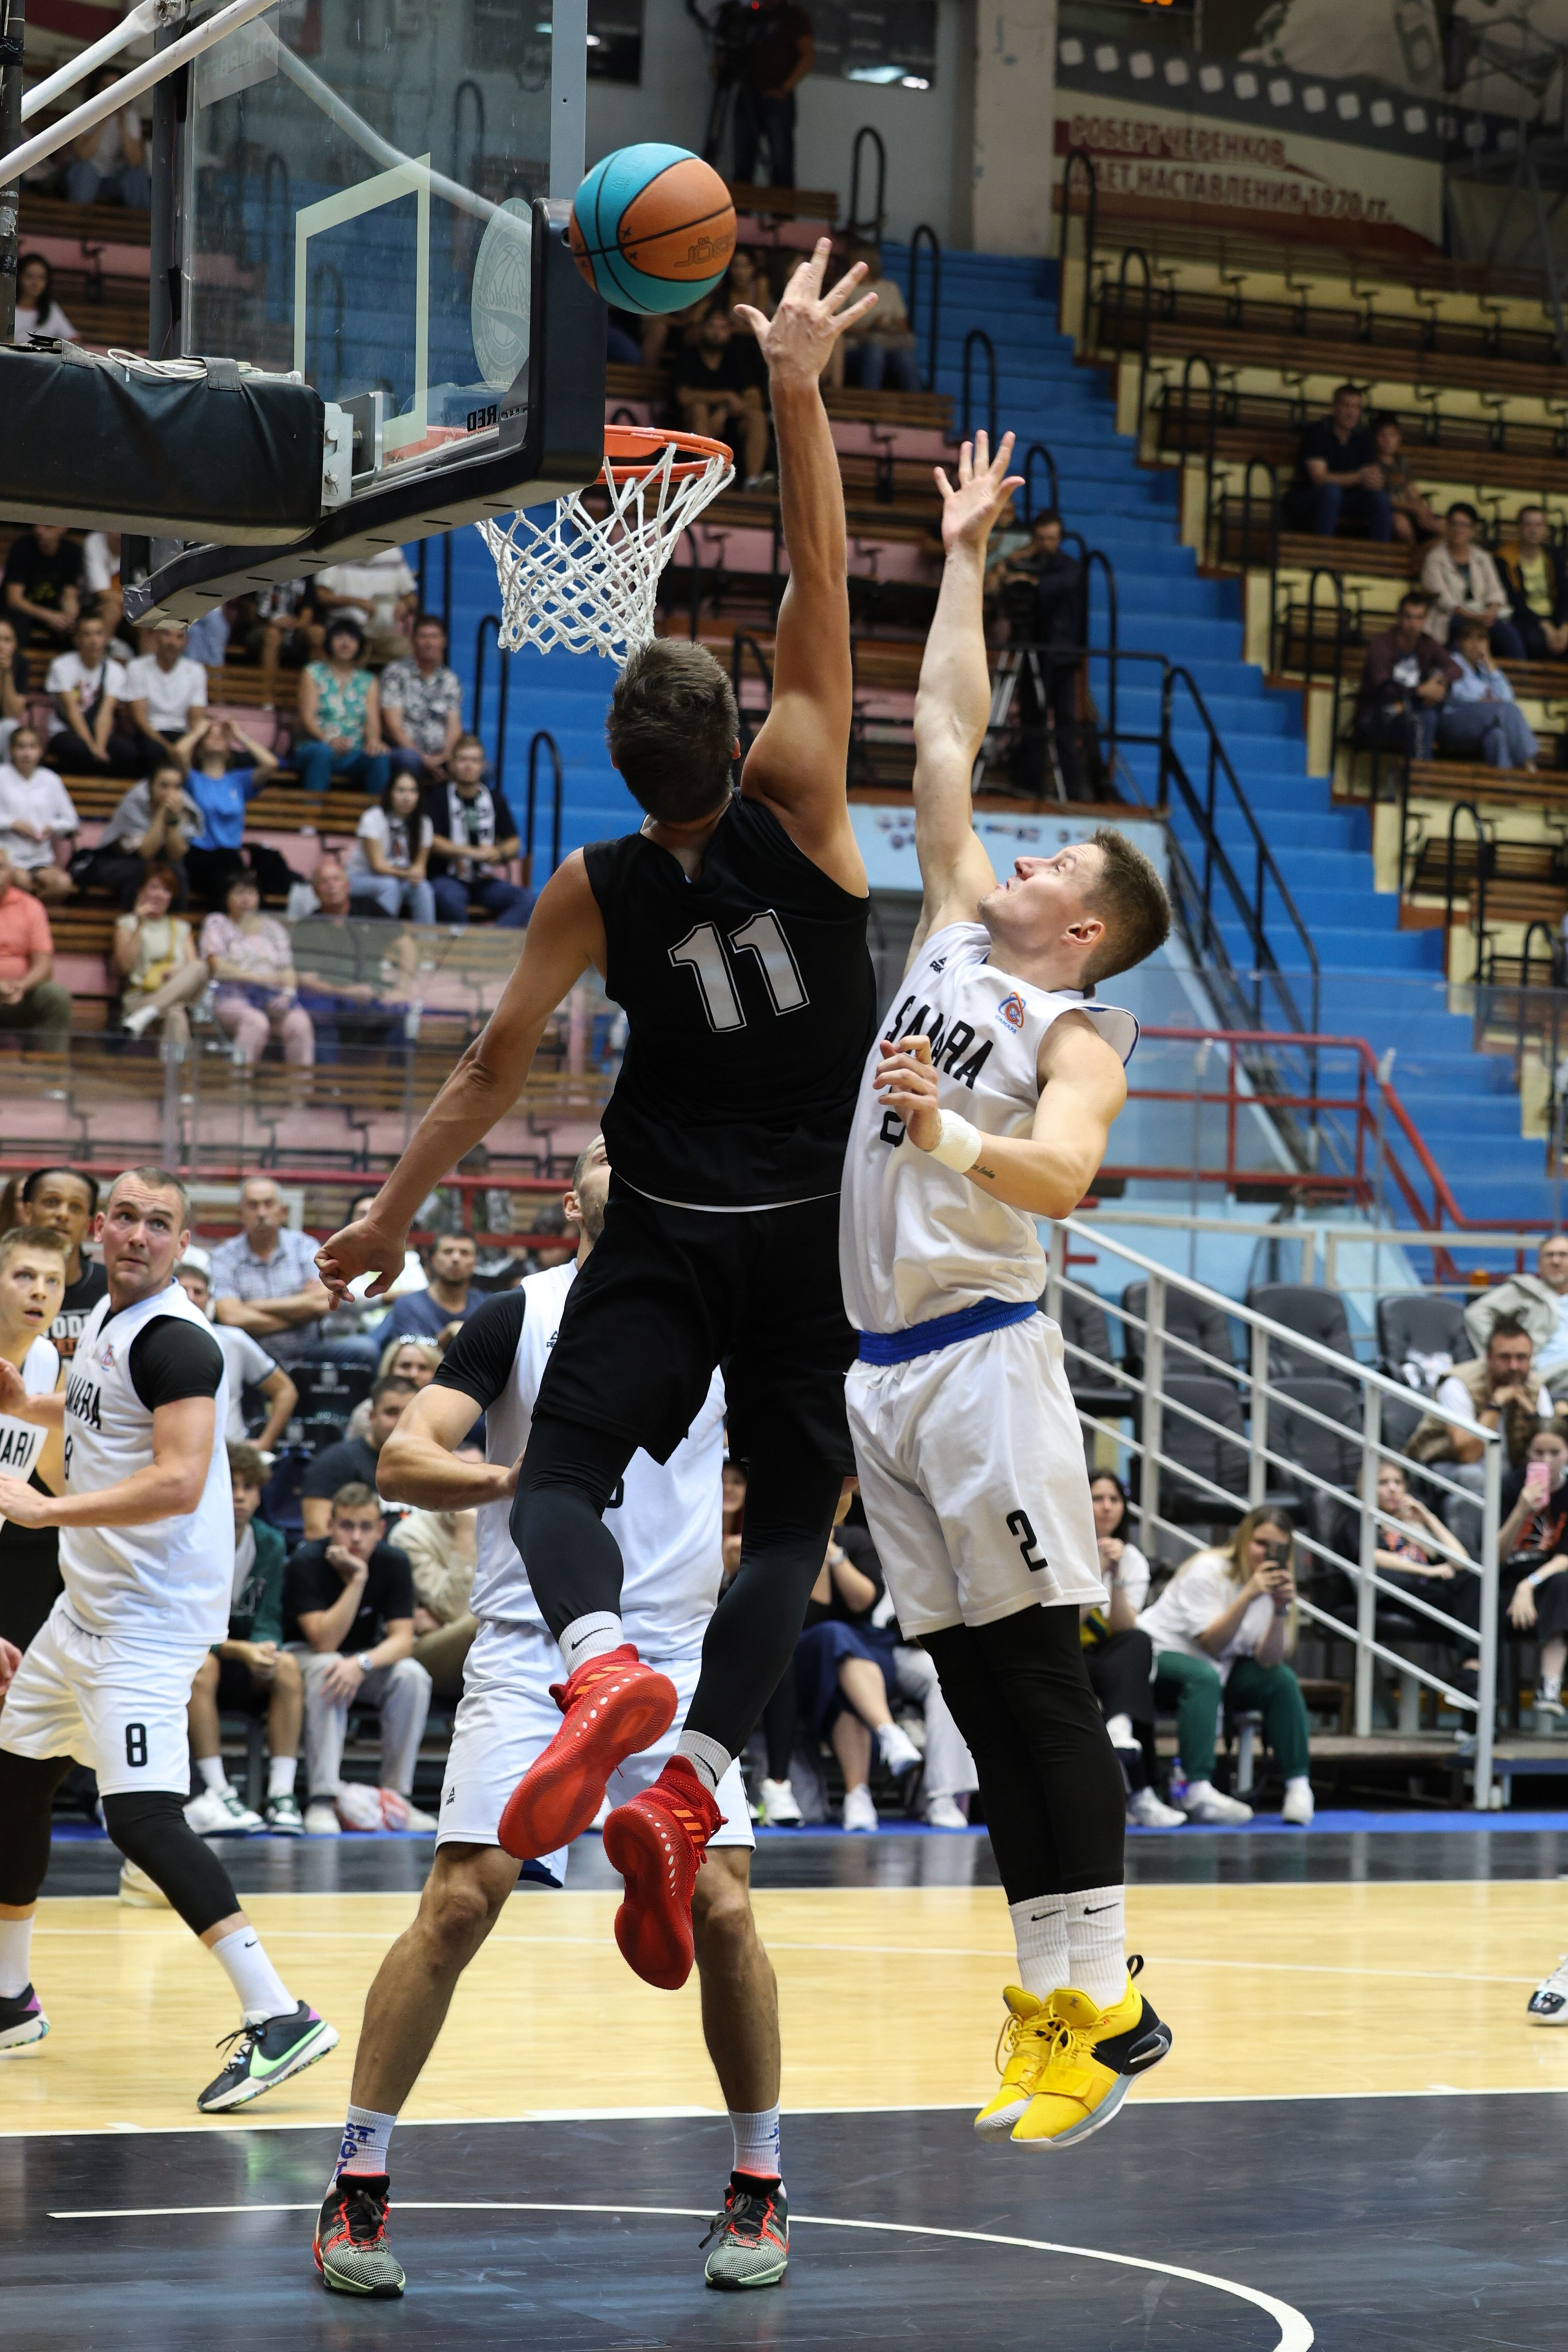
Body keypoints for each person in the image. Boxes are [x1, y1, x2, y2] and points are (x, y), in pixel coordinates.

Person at [316, 244, 880, 1997]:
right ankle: (695, 1781)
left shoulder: (591, 885)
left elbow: (492, 1073)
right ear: (743, 737)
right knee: (788, 1520)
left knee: (557, 1471)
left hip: (662, 1223)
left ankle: (586, 1665)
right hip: (811, 1233)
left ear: (626, 765)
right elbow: (820, 577)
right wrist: (788, 380)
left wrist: (392, 1219)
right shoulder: (808, 802)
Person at [836, 432, 1173, 2149]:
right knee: (974, 1692)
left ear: (1090, 928)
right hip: (884, 1368)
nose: (1021, 860)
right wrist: (962, 551)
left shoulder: (1080, 1030)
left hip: (983, 1360)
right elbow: (948, 732)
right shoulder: (961, 931)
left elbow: (1065, 1177)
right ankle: (1056, 2003)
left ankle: (1106, 1999)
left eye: (1056, 869)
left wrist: (950, 1137)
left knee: (1036, 1683)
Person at [315, 1133, 787, 2300]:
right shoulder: (518, 1316)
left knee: (726, 1907)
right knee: (461, 1898)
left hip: (674, 1647)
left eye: (641, 1147)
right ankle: (358, 2180)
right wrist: (517, 1481)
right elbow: (407, 1455)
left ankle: (761, 2181)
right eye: (599, 1149)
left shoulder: (734, 1314)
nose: (621, 1160)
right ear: (569, 1195)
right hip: (537, 1645)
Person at [0, 1166, 337, 2107]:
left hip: (147, 1624)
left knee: (139, 1817)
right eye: (128, 1217)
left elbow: (181, 1479)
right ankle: (8, 1997)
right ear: (100, 1231)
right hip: (85, 1612)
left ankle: (281, 2016)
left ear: (182, 1243)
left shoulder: (178, 1342)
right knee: (15, 1777)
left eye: (162, 1223)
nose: (140, 1234)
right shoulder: (102, 1325)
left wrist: (44, 1511)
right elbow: (99, 1426)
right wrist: (31, 1410)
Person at [1139, 1509, 1314, 1827]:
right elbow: (1211, 1643)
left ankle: (1299, 1788)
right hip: (1157, 1655)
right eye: (1261, 1543)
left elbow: (1268, 1659)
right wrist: (1248, 1595)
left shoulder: (1276, 1586)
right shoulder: (1208, 1570)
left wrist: (1280, 1610)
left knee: (1281, 1679)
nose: (1267, 1554)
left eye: (1278, 1547)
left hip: (1219, 1667)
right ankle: (1197, 1787)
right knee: (1201, 1677)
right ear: (1244, 1538)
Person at [283, 1482, 435, 1836]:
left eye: (365, 1527)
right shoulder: (307, 1561)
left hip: (359, 1660)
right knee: (327, 1667)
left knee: (412, 1675)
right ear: (330, 1525)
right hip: (304, 1656)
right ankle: (323, 1798)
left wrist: (362, 1663)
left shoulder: (394, 1562)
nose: (355, 1537)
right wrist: (358, 1580)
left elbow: (402, 1642)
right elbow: (323, 1641)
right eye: (346, 1526)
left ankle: (396, 1797)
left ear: (381, 1530)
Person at [184, 1442, 304, 1836]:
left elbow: (268, 1615)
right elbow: (188, 1627)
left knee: (286, 1666)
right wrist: (238, 1649)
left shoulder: (268, 1541)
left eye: (249, 1487)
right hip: (197, 1664)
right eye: (230, 1485)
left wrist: (266, 1647)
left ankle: (281, 1795)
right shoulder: (193, 1537)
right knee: (205, 1664)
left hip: (245, 1664)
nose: (239, 1495)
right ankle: (218, 1790)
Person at [795, 1517, 923, 1829]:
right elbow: (814, 1612)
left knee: (845, 1691)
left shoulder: (854, 1539)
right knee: (834, 1636)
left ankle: (858, 1795)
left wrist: (833, 1554)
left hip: (862, 1656)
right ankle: (888, 1731)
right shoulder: (784, 1536)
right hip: (802, 1653)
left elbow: (863, 1601)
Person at [1084, 1472, 1185, 1829]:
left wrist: (1117, 1576)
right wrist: (1094, 1570)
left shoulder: (1133, 1559)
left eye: (1114, 1499)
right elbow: (1063, 1623)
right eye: (1098, 1498)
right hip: (1067, 1652)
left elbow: (1122, 1628)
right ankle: (1142, 1793)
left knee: (1138, 1644)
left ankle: (1121, 1726)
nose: (1107, 1506)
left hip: (1107, 1654)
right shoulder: (1060, 1551)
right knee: (1131, 1681)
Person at [1408, 1313, 1553, 1544]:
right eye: (1505, 1357)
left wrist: (1530, 1414)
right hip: (1444, 1467)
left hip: (1504, 1471)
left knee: (1555, 1473)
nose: (1514, 1366)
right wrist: (1494, 1406)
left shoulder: (1535, 1387)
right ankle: (1476, 1560)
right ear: (1488, 1357)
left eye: (1521, 1357)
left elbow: (1552, 1446)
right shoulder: (1459, 1383)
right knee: (1477, 1477)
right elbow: (1468, 1453)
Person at [985, 508, 1087, 799]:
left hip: (1061, 658)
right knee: (1031, 722)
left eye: (1052, 538)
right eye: (1041, 538)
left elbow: (1060, 586)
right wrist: (1012, 570)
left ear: (1060, 537)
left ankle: (1073, 791)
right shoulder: (1025, 563)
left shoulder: (1069, 567)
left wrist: (1034, 583)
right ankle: (1029, 786)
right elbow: (1004, 588)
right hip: (1031, 652)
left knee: (1065, 725)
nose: (1047, 544)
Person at [0, 1225, 67, 1655]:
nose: (39, 1291)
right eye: (24, 1276)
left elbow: (57, 1478)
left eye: (52, 1280)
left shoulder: (47, 1360)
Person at [207, 1174, 334, 1371]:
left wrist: (256, 1306)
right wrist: (302, 1309)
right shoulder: (224, 1256)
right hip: (252, 1358)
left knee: (363, 1350)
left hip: (310, 1352)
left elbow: (324, 1303)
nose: (261, 1212)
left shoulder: (304, 1246)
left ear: (283, 1212)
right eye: (253, 1205)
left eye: (269, 1204)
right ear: (239, 1214)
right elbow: (231, 1317)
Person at [175, 1260, 298, 1451]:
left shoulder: (234, 1341)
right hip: (175, 1452)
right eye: (183, 1290)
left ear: (209, 1300)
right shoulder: (151, 1339)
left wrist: (265, 1443)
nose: (190, 1297)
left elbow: (285, 1391)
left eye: (198, 1291)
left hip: (230, 1453)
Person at [200, 872, 315, 1068]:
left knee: (300, 1024)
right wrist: (258, 979)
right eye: (239, 893)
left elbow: (287, 968)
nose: (246, 899)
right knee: (256, 1022)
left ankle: (299, 1094)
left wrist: (288, 993)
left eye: (252, 893)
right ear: (225, 897)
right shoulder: (218, 923)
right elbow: (216, 965)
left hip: (272, 998)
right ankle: (239, 1088)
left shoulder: (273, 927)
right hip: (231, 998)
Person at [422, 735, 532, 927]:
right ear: (452, 765)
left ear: (483, 766)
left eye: (474, 760)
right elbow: (432, 841)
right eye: (463, 760)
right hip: (448, 877)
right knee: (447, 897)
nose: (468, 766)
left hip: (484, 880)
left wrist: (498, 852)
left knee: (527, 900)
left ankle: (488, 946)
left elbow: (514, 842)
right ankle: (462, 948)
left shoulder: (495, 799)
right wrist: (470, 852)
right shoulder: (437, 797)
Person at [386, 1475, 480, 1700]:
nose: (472, 1487)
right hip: (432, 1649)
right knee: (487, 1620)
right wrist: (466, 1532)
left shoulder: (504, 1522)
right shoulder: (411, 1535)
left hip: (467, 1637)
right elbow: (454, 1610)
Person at [182, 716, 286, 909]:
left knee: (253, 891)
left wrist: (240, 735)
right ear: (200, 747)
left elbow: (270, 763)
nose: (216, 738)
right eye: (210, 736)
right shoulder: (193, 779)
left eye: (221, 735)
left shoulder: (238, 781)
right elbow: (178, 753)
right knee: (227, 889)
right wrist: (197, 732)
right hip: (199, 854)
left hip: (230, 856)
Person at [300, 1376, 415, 1541]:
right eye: (391, 1412)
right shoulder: (334, 1462)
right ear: (372, 1416)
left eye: (409, 1414)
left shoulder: (434, 1463)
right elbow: (317, 1532)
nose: (401, 1422)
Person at [1353, 590, 1457, 761]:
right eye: (1409, 617)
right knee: (1426, 718)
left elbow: (1455, 669)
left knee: (1444, 699)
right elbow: (1383, 686)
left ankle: (1420, 778)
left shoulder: (1427, 643)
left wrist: (1438, 682)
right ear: (1399, 617)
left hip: (1412, 709)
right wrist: (1420, 691)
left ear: (1425, 620)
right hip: (1379, 712)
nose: (1413, 623)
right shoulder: (1381, 643)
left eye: (1419, 618)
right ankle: (1419, 781)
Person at [674, 306, 771, 488]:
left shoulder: (736, 360)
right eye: (712, 326)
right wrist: (725, 397)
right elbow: (684, 397)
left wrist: (724, 410)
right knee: (698, 409)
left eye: (722, 328)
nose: (717, 333)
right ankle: (710, 477)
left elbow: (754, 399)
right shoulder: (689, 357)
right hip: (691, 428)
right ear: (702, 328)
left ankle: (753, 483)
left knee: (757, 417)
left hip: (731, 426)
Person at [294, 619, 393, 797]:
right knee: (322, 753)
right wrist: (329, 739)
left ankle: (378, 819)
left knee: (379, 757)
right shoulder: (312, 673)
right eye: (339, 637)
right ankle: (311, 819)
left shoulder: (368, 681)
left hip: (354, 751)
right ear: (329, 642)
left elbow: (372, 722)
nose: (345, 643)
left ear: (360, 645)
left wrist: (373, 741)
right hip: (317, 745)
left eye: (352, 639)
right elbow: (307, 718)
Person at [109, 865, 205, 1044]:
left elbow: (193, 971)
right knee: (176, 1014)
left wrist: (178, 973)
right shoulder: (127, 924)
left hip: (175, 995)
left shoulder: (182, 928)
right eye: (154, 887)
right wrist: (140, 923)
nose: (160, 895)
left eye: (167, 890)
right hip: (140, 996)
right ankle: (177, 1071)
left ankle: (148, 1013)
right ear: (141, 891)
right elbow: (125, 967)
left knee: (199, 968)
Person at [88, 759, 202, 908]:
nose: (170, 793)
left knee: (178, 873)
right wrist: (162, 814)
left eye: (177, 787)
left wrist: (172, 820)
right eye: (164, 786)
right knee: (144, 872)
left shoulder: (184, 804)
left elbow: (177, 854)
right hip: (118, 859)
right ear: (150, 786)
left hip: (160, 859)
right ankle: (131, 923)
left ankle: (176, 926)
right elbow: (145, 852)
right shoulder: (134, 802)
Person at [20, 1167, 106, 1363]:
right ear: (28, 1210)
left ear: (88, 1223)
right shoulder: (4, 1284)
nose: (63, 1214)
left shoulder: (110, 1290)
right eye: (52, 1202)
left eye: (76, 1207)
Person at [1468, 1234, 1568, 1400]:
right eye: (1550, 1255)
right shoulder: (1525, 1290)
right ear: (1539, 1264)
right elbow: (1476, 1314)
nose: (1556, 1261)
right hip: (1543, 1369)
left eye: (1563, 1255)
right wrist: (1500, 1350)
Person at [1285, 384, 1390, 541]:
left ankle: (1380, 557)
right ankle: (1322, 553)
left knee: (1381, 498)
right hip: (1310, 495)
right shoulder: (1317, 432)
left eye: (1356, 407)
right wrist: (1359, 477)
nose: (1351, 413)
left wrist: (1375, 481)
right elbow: (1319, 479)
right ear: (1334, 407)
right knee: (1332, 492)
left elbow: (1370, 475)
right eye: (1346, 406)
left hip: (1350, 498)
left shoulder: (1364, 436)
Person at [1420, 503, 1523, 656]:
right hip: (1452, 617)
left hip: (1484, 615)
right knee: (1463, 634)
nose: (1458, 530)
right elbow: (1444, 601)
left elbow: (1496, 591)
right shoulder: (1434, 558)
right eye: (1454, 524)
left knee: (1510, 635)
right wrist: (1474, 617)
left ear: (1473, 530)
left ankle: (1520, 677)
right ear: (1447, 526)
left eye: (1464, 525)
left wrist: (1491, 612)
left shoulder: (1483, 557)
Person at [1436, 616, 1539, 770]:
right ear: (1459, 643)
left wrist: (1490, 663)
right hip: (1455, 722)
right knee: (1506, 711)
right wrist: (1492, 703)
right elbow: (1463, 696)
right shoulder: (1452, 662)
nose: (1476, 644)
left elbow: (1508, 697)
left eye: (1481, 639)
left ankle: (1505, 786)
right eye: (1469, 639)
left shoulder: (1486, 668)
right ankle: (1528, 764)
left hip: (1482, 725)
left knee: (1497, 736)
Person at [43, 611, 138, 775]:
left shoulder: (114, 670)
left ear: (107, 638)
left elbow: (106, 712)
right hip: (65, 729)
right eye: (87, 634)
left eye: (99, 634)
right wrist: (92, 748)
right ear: (77, 639)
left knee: (127, 751)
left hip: (100, 731)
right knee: (79, 750)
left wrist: (99, 747)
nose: (94, 640)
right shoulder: (62, 666)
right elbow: (72, 711)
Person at [731, 0, 813, 187]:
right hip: (747, 95)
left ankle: (783, 216)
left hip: (778, 99)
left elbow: (807, 55)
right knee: (743, 162)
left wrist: (785, 88)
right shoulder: (749, 15)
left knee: (781, 163)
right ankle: (741, 215)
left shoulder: (794, 16)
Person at [379, 616, 463, 785]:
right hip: (405, 750)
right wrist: (422, 758)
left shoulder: (449, 679)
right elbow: (394, 727)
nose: (429, 642)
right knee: (410, 760)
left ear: (443, 641)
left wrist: (446, 756)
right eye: (423, 636)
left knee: (478, 767)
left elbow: (454, 725)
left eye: (434, 637)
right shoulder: (396, 673)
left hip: (440, 754)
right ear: (413, 641)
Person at [0, 848, 72, 1047]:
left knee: (56, 996)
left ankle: (53, 1073)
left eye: (0, 867)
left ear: (11, 873)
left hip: (21, 995)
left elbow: (43, 963)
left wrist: (20, 986)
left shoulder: (31, 906)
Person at [0, 725, 78, 900]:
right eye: (21, 747)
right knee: (21, 880)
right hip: (8, 857)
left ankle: (34, 918)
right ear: (11, 750)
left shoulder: (51, 780)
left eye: (32, 747)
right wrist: (12, 824)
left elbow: (72, 820)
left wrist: (51, 827)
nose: (26, 753)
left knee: (62, 883)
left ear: (40, 751)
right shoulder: (2, 776)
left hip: (41, 859)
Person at [349, 772, 436, 923]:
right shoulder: (373, 817)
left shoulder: (424, 823)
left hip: (399, 878)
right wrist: (410, 874)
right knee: (389, 885)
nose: (407, 797)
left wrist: (415, 873)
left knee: (423, 887)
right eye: (401, 791)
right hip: (361, 878)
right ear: (390, 793)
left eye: (412, 791)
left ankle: (427, 940)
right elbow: (379, 867)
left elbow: (420, 868)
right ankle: (384, 940)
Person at [837, 243, 921, 393]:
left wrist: (887, 327)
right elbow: (836, 324)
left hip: (887, 342)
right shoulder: (843, 286)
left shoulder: (890, 288)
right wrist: (870, 328)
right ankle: (869, 404)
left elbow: (903, 327)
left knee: (905, 359)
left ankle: (918, 408)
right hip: (855, 346)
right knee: (874, 352)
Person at [311, 549, 418, 665]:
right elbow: (322, 595)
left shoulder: (394, 553)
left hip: (387, 633)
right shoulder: (337, 549)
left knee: (411, 653)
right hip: (349, 630)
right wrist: (356, 602)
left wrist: (405, 604)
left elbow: (411, 598)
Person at [374, 1234, 479, 1349]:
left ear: (475, 1262)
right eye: (448, 1252)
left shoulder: (486, 1306)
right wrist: (448, 1334)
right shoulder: (409, 1305)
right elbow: (411, 1357)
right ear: (433, 1260)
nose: (456, 1259)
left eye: (465, 1253)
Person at [64, 70, 149, 207]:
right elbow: (83, 155)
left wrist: (122, 125)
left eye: (116, 86)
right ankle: (75, 221)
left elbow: (135, 161)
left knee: (136, 175)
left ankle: (139, 225)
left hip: (117, 179)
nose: (111, 91)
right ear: (97, 88)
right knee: (83, 171)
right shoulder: (84, 112)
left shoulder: (130, 117)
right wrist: (102, 121)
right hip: (90, 176)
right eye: (105, 86)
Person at [124, 621, 208, 756]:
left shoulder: (196, 671)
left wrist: (188, 744)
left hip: (182, 733)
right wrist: (168, 748)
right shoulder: (137, 667)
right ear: (156, 636)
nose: (172, 642)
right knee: (152, 750)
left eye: (179, 637)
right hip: (149, 734)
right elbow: (140, 718)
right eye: (167, 634)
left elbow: (196, 718)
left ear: (186, 642)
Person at [2, 523, 83, 652]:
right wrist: (49, 616)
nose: (39, 530)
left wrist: (70, 617)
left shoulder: (72, 552)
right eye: (37, 525)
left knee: (79, 628)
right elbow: (14, 600)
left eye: (48, 527)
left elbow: (70, 595)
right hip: (23, 610)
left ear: (63, 528)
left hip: (52, 608)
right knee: (17, 625)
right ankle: (18, 667)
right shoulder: (22, 547)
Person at [1367, 414, 1442, 544]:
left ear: (1399, 437)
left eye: (1392, 435)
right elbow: (1384, 499)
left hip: (1409, 508)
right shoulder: (1372, 463)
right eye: (1383, 436)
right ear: (1375, 438)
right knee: (1402, 526)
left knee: (1443, 524)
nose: (1388, 440)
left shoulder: (1401, 462)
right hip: (1390, 510)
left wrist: (1421, 509)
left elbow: (1412, 491)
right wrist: (1412, 507)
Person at [12, 252, 76, 344]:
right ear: (19, 278)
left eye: (41, 278)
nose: (35, 283)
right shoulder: (7, 309)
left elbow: (73, 338)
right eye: (29, 276)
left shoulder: (51, 309)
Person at [0, 617, 28, 761]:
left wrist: (6, 674)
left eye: (7, 640)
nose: (1, 646)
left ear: (16, 644)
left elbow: (12, 713)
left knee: (10, 727)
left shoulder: (20, 664)